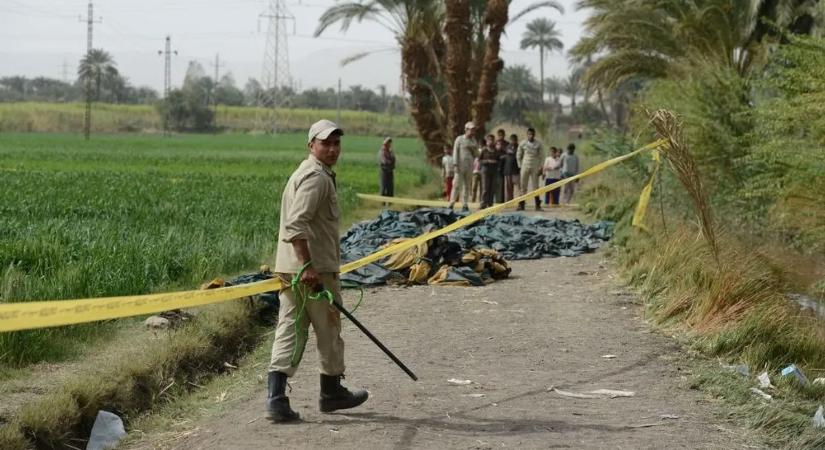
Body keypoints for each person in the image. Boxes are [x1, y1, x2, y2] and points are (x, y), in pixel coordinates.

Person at [266, 119, 368, 423]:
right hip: (312, 272)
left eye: (337, 143)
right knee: (329, 330)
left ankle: (276, 399)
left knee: (290, 330)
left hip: (290, 270)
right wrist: (308, 265)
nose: (333, 149)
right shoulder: (316, 178)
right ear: (312, 145)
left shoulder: (306, 171)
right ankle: (331, 393)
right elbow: (297, 224)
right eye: (326, 143)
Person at [450, 121, 480, 212]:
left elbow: (477, 155)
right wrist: (455, 164)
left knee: (467, 186)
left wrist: (474, 148)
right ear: (466, 130)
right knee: (456, 185)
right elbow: (455, 152)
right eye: (471, 130)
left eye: (474, 130)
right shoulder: (459, 139)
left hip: (469, 165)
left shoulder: (474, 141)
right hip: (460, 165)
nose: (472, 132)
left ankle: (465, 204)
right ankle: (451, 203)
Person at [516, 127, 545, 211]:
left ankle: (537, 205)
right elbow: (518, 154)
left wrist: (541, 166)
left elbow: (542, 156)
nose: (531, 136)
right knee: (523, 186)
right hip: (525, 165)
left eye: (532, 134)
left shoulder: (538, 144)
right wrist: (520, 165)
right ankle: (521, 204)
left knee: (535, 186)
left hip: (535, 166)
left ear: (534, 135)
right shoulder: (523, 143)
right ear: (527, 135)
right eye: (529, 134)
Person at [479, 134, 500, 208]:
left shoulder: (496, 150)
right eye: (489, 140)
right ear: (487, 141)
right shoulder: (484, 150)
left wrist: (496, 162)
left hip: (494, 171)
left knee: (492, 188)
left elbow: (499, 160)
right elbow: (480, 160)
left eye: (492, 140)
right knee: (485, 188)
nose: (491, 141)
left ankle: (490, 204)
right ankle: (483, 204)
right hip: (485, 171)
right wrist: (488, 161)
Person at [502, 134, 520, 202]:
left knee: (518, 186)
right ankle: (509, 201)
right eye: (512, 140)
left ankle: (520, 201)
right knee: (509, 187)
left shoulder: (519, 147)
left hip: (516, 170)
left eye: (514, 140)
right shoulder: (507, 147)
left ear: (516, 140)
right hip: (508, 170)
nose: (513, 141)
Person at [495, 129, 508, 203]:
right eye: (499, 135)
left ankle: (501, 200)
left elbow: (508, 153)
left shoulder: (506, 144)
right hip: (495, 166)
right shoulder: (495, 143)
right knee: (495, 184)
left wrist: (503, 155)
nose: (501, 136)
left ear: (504, 135)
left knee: (502, 184)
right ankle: (496, 200)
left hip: (504, 166)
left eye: (502, 135)